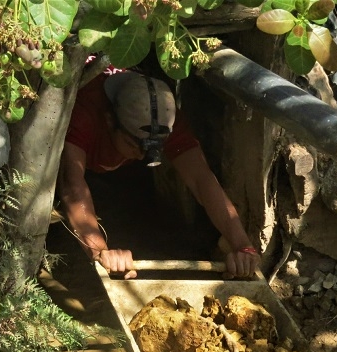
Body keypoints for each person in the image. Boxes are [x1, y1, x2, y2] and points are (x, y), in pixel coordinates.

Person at [57, 69, 260, 279]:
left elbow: (201, 179)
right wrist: (100, 251)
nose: (141, 156)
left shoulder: (161, 118)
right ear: (110, 121)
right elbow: (72, 184)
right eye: (133, 145)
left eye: (153, 149)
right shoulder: (84, 114)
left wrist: (243, 246)